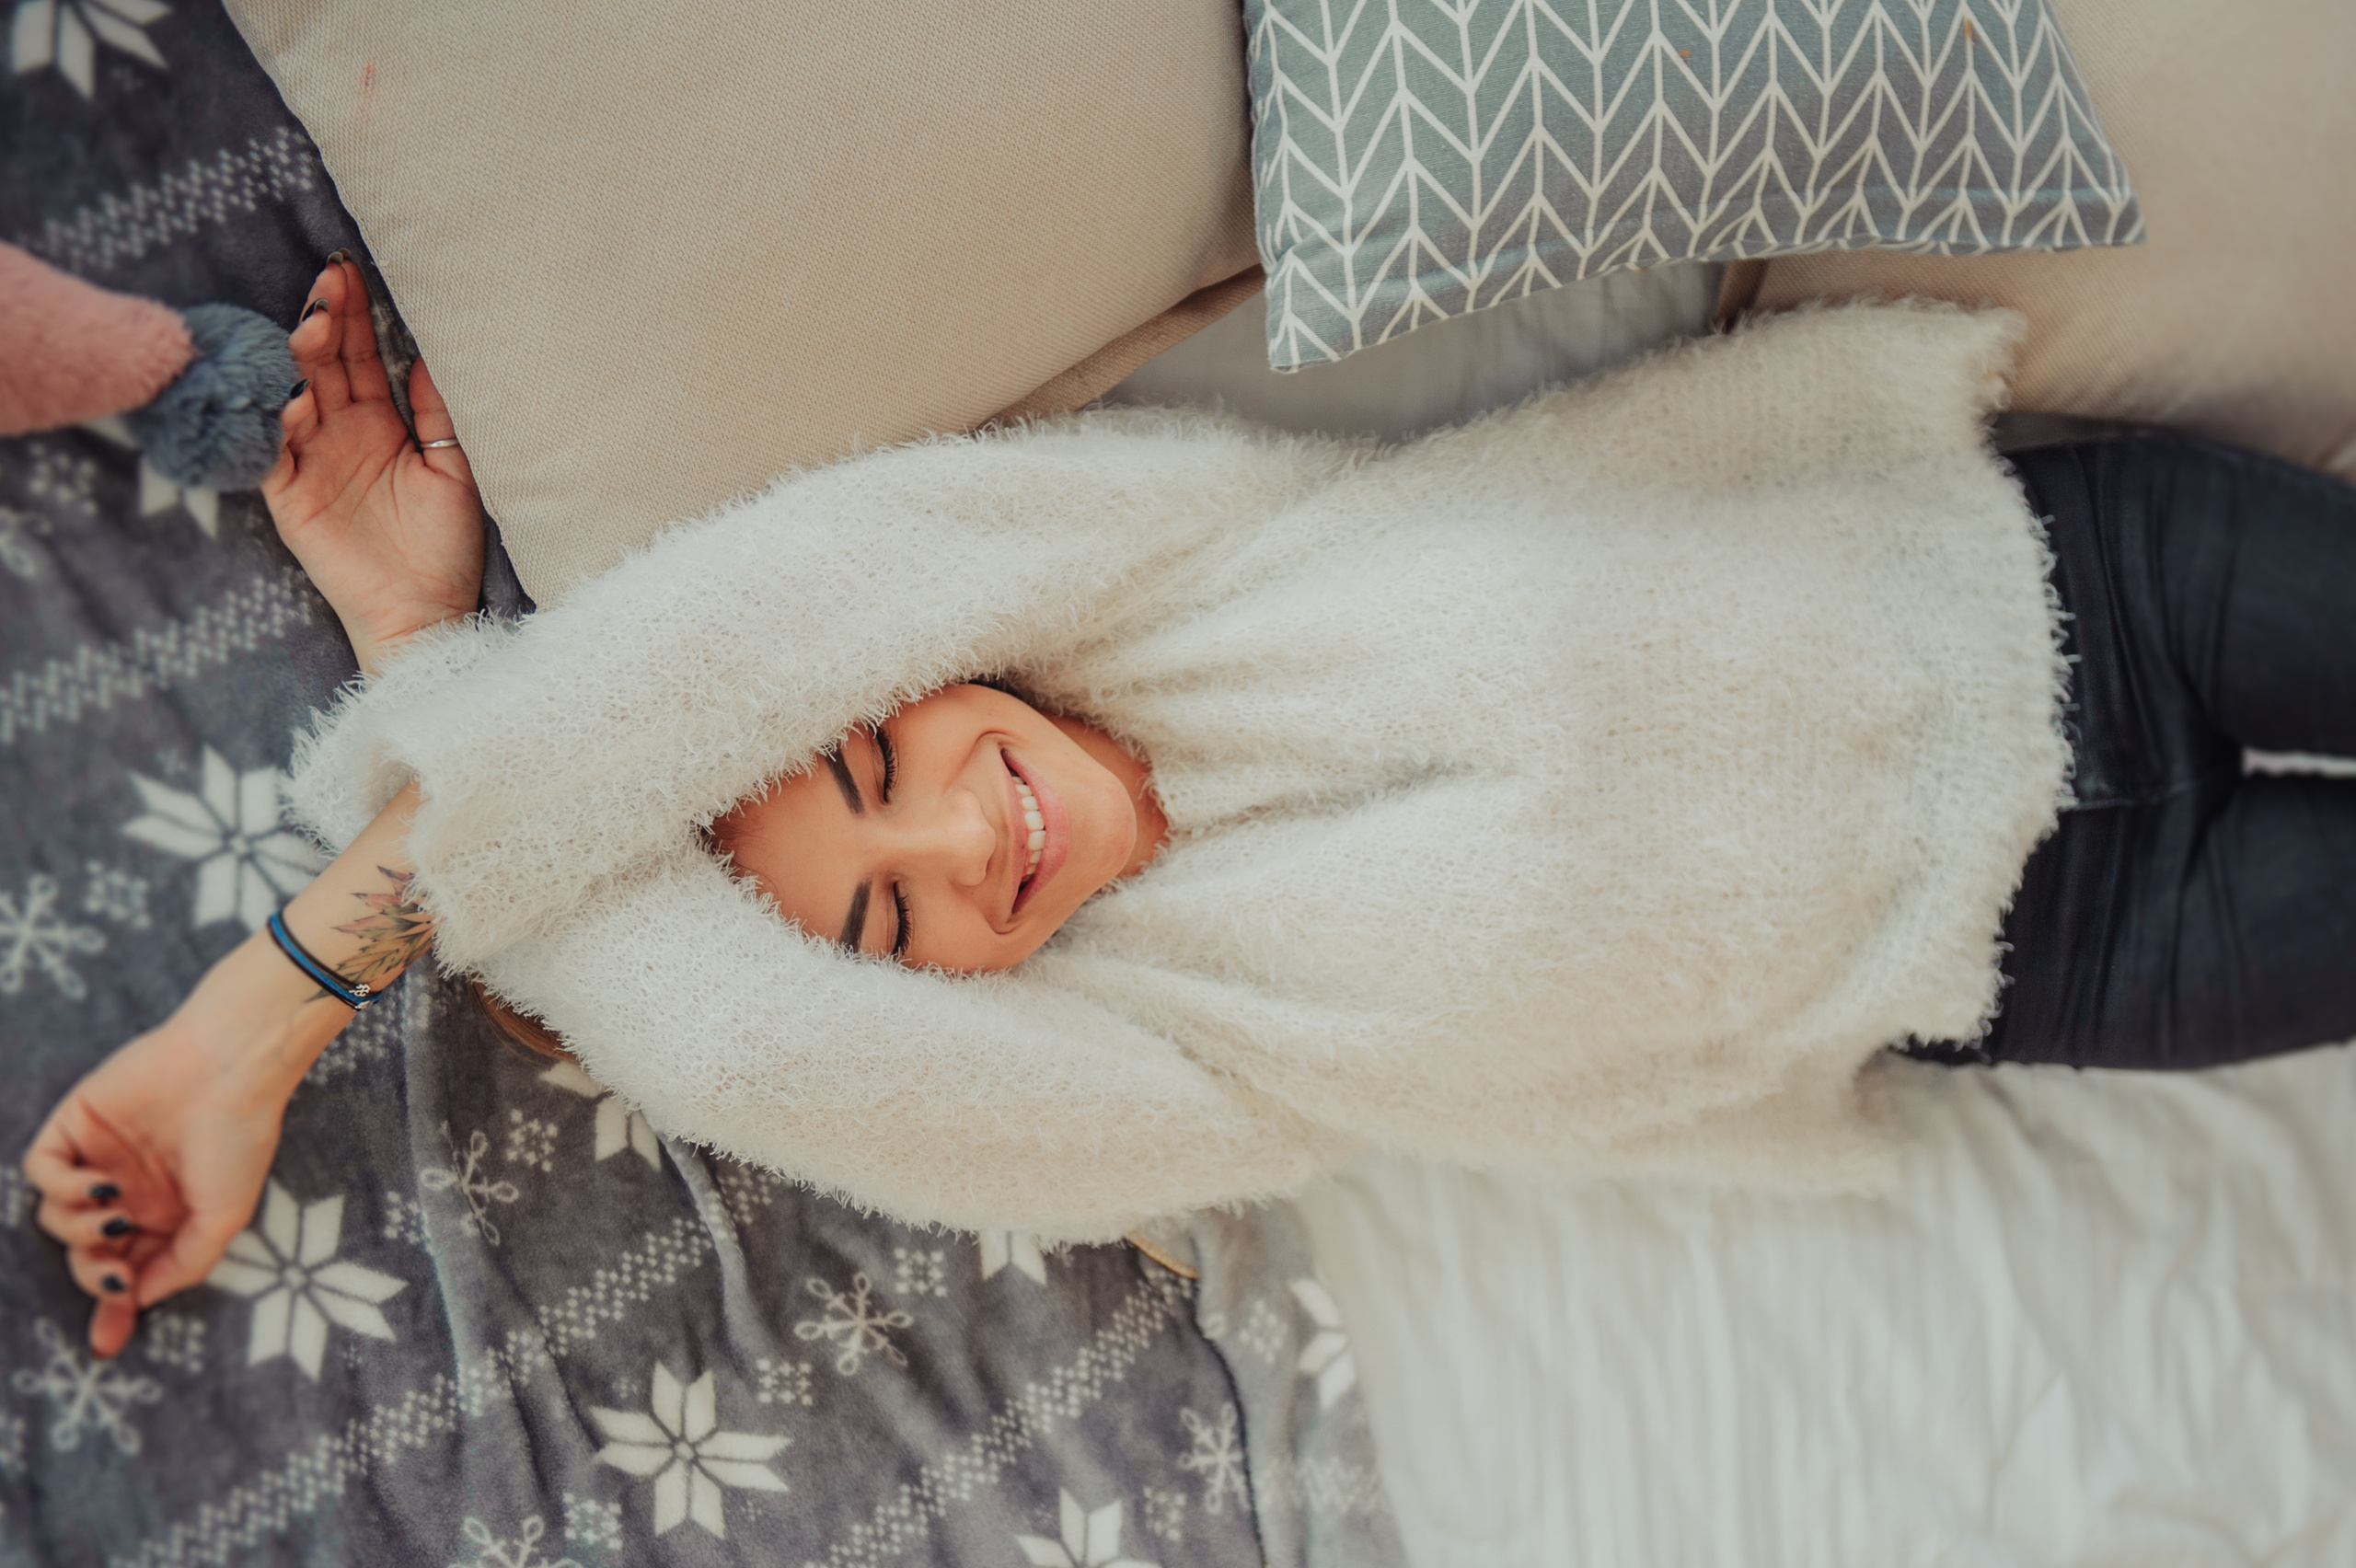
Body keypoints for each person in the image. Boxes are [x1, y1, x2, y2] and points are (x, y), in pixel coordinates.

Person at [24, 261, 2356, 1358]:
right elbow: (729, 1039)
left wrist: (414, 747)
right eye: (889, 930)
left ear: (900, 678)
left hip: (2045, 586)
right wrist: (295, 966)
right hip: (2036, 948)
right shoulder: (1160, 1075)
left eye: (876, 767)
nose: (959, 847)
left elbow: (698, 666)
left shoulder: (1126, 563)